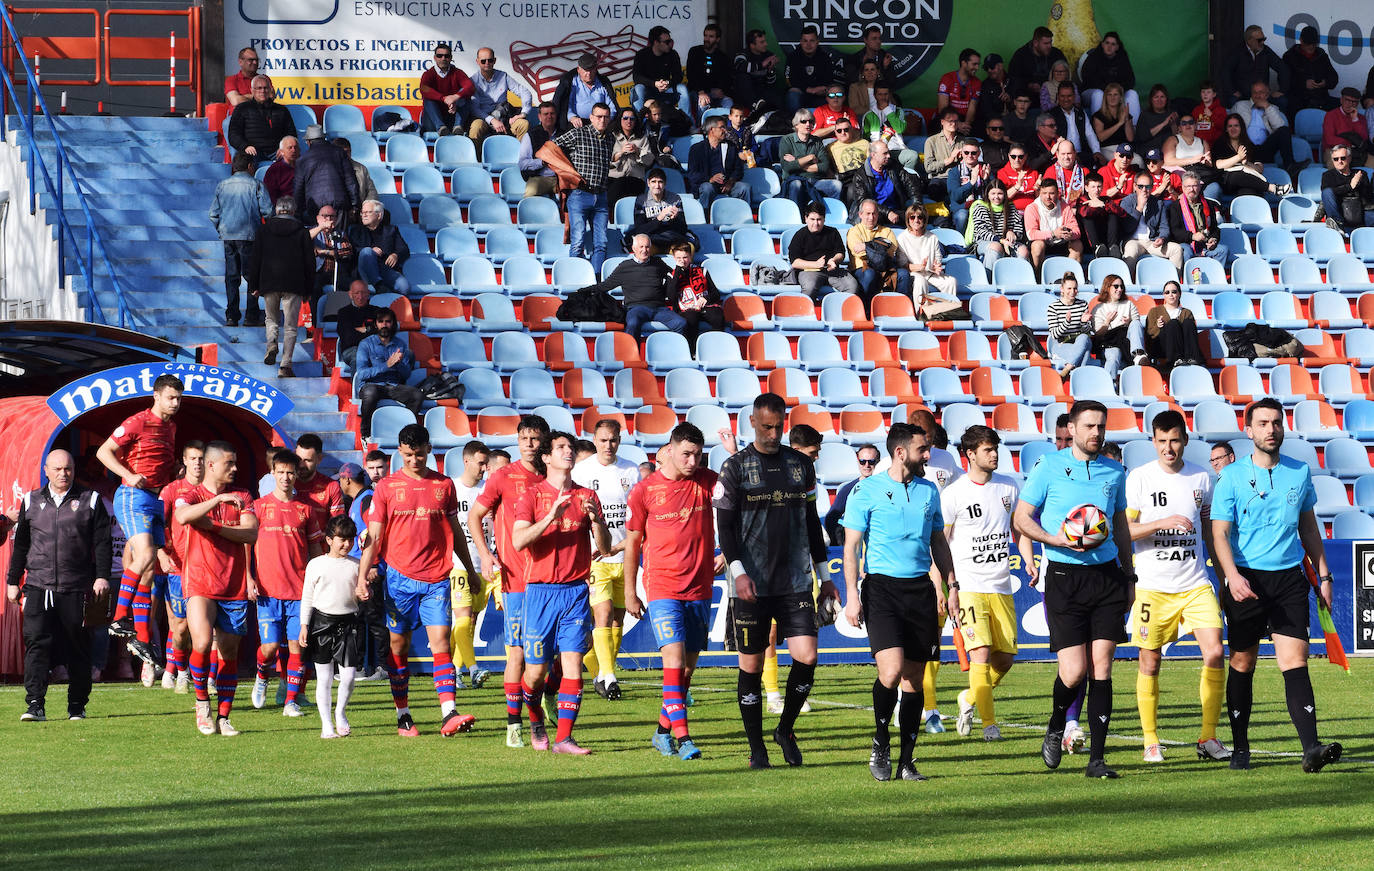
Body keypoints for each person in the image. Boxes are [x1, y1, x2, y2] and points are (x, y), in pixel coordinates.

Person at [1210, 398, 1341, 772]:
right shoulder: (1231, 477)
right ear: (1249, 431)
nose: (1271, 429)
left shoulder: (1299, 472)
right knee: (1242, 661)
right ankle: (1240, 748)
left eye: (1276, 423)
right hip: (1246, 578)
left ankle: (1311, 748)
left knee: (1295, 659)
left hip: (1289, 580)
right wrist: (1232, 576)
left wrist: (1324, 575)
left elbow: (1309, 528)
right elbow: (1219, 533)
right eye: (1263, 423)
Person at [1014, 400, 1133, 778]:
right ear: (1073, 428)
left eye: (1101, 426)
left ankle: (1097, 759)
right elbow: (1021, 518)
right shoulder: (1048, 467)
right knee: (1074, 671)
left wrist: (1129, 575)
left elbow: (1121, 525)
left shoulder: (1115, 472)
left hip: (1107, 577)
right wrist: (1054, 539)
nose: (1096, 433)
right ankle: (1055, 723)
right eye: (1089, 426)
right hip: (1064, 578)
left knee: (1102, 666)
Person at [715, 393, 833, 768]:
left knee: (807, 656)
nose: (772, 433)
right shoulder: (734, 467)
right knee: (750, 666)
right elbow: (725, 527)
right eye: (765, 426)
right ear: (752, 421)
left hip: (796, 580)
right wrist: (738, 572)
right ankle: (757, 749)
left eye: (778, 426)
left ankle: (785, 728)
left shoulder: (801, 465)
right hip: (751, 583)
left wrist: (824, 575)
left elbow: (813, 522)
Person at [839, 422, 951, 782]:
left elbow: (938, 542)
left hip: (919, 589)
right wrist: (853, 596)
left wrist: (950, 583)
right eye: (922, 449)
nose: (927, 455)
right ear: (901, 452)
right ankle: (881, 740)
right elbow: (851, 547)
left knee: (914, 681)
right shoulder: (866, 491)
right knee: (890, 672)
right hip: (881, 589)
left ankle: (906, 761)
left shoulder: (929, 490)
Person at [357, 423, 479, 738]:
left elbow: (456, 533)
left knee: (440, 643)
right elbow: (374, 536)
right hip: (399, 580)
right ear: (400, 452)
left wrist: (470, 569)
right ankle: (403, 715)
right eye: (409, 455)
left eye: (421, 454)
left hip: (438, 578)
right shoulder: (386, 488)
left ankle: (448, 712)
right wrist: (362, 578)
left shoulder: (444, 485)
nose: (415, 461)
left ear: (429, 450)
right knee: (399, 647)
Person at [1124, 410, 1231, 763]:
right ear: (1153, 442)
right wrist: (1162, 522)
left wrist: (1224, 576)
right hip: (1153, 586)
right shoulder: (1139, 478)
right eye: (1161, 441)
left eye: (1174, 440)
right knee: (1150, 661)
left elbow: (1211, 531)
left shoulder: (1201, 478)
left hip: (1196, 582)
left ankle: (1208, 737)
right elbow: (1126, 532)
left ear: (1184, 440)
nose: (1168, 448)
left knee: (1215, 652)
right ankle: (1151, 740)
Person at [512, 431, 611, 755]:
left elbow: (605, 548)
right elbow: (518, 541)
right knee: (536, 672)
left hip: (575, 594)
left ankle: (564, 739)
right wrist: (550, 518)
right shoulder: (531, 495)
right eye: (561, 448)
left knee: (572, 666)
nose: (568, 452)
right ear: (546, 457)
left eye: (570, 447)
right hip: (540, 594)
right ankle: (536, 717)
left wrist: (596, 521)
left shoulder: (586, 496)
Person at [624, 422, 716, 760]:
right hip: (662, 586)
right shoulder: (645, 490)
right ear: (670, 450)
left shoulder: (708, 481)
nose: (692, 461)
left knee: (686, 672)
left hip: (700, 587)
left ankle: (662, 731)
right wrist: (631, 591)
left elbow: (737, 510)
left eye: (697, 455)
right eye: (686, 454)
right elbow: (633, 544)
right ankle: (684, 738)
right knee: (674, 663)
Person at [943, 426, 1033, 742]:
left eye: (995, 448)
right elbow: (940, 542)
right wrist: (945, 584)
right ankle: (989, 725)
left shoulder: (1008, 487)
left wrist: (1029, 558)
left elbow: (1018, 529)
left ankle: (968, 698)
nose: (994, 454)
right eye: (987, 450)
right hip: (967, 586)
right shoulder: (954, 493)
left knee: (1004, 659)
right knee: (979, 653)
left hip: (1000, 585)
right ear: (970, 454)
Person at [8, 450, 111, 722]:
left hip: (76, 586)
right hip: (38, 585)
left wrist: (101, 576)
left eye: (67, 469)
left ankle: (77, 705)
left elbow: (102, 542)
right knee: (37, 644)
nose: (63, 474)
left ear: (74, 469)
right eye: (57, 469)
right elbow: (21, 545)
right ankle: (35, 705)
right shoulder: (30, 500)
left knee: (78, 646)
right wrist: (12, 581)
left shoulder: (91, 500)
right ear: (46, 470)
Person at [470, 414, 551, 748]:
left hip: (554, 579)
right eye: (524, 439)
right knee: (517, 654)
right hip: (517, 578)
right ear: (517, 442)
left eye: (534, 439)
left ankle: (543, 701)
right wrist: (486, 555)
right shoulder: (503, 477)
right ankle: (514, 723)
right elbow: (475, 516)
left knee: (553, 654)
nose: (529, 445)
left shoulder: (554, 476)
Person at [175, 441, 258, 736]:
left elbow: (251, 532)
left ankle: (224, 716)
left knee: (228, 651)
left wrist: (213, 527)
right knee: (200, 643)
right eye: (229, 463)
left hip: (232, 584)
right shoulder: (191, 493)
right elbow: (184, 516)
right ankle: (202, 705)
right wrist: (216, 502)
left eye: (235, 463)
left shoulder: (244, 496)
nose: (235, 468)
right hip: (199, 581)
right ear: (211, 466)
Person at [97, 374, 181, 663]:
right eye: (170, 397)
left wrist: (175, 471)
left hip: (155, 499)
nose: (175, 403)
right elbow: (103, 451)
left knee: (148, 570)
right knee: (144, 556)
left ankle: (143, 639)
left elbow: (159, 460)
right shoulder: (137, 421)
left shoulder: (171, 427)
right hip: (133, 495)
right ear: (156, 396)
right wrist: (129, 475)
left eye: (178, 398)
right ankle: (120, 617)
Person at [570, 419, 641, 701]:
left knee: (618, 621)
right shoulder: (582, 471)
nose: (608, 445)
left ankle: (601, 671)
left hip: (625, 555)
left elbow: (636, 515)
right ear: (594, 440)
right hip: (596, 555)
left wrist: (625, 546)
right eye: (602, 440)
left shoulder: (630, 470)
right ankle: (610, 677)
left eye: (612, 440)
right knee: (603, 614)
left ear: (619, 440)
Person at [250, 451, 325, 716]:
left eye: (290, 472)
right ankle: (262, 675)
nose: (285, 477)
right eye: (280, 472)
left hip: (298, 591)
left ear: (297, 475)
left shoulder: (306, 509)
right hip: (268, 591)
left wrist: (319, 583)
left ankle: (290, 701)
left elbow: (316, 550)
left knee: (297, 647)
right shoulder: (258, 507)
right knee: (269, 649)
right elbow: (245, 547)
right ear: (272, 473)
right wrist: (249, 578)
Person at [300, 515, 364, 738]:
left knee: (348, 677)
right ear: (328, 539)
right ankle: (326, 724)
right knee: (324, 678)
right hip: (321, 624)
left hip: (349, 624)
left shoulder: (357, 565)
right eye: (341, 539)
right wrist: (304, 625)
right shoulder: (316, 564)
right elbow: (307, 597)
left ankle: (340, 712)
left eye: (350, 539)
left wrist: (366, 592)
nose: (346, 544)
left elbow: (364, 592)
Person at [157, 440, 206, 694]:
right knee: (180, 627)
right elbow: (156, 522)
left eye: (201, 458)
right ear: (184, 461)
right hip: (178, 568)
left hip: (208, 569)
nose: (197, 463)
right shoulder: (171, 490)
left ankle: (208, 677)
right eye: (193, 458)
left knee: (209, 627)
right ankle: (181, 671)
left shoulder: (214, 491)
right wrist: (160, 553)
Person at [247, 195, 314, 377]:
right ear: (293, 211)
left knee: (271, 319)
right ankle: (285, 365)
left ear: (277, 210)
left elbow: (256, 260)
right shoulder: (302, 231)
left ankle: (271, 344)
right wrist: (309, 289)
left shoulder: (264, 230)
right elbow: (310, 263)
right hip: (294, 284)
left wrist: (254, 284)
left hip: (269, 282)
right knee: (291, 326)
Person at [449, 441, 495, 690]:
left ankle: (455, 671)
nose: (484, 468)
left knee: (470, 621)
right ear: (466, 461)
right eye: (480, 463)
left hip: (483, 563)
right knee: (464, 618)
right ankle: (474, 669)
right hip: (458, 563)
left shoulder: (489, 490)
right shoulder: (452, 489)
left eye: (486, 463)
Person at [209, 150, 272, 328]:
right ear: (250, 166)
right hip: (250, 236)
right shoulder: (257, 185)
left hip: (228, 236)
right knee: (252, 277)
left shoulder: (222, 185)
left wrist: (222, 229)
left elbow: (213, 214)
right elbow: (268, 212)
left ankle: (232, 316)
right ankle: (251, 315)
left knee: (231, 277)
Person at [555, 102, 615, 275]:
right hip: (580, 194)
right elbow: (552, 147)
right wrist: (565, 173)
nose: (602, 120)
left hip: (601, 195)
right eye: (599, 116)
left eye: (605, 117)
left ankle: (595, 283)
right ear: (591, 117)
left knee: (601, 242)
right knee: (578, 240)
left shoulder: (610, 138)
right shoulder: (578, 133)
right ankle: (575, 280)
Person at [585, 232, 678, 340]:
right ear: (634, 248)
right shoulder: (625, 266)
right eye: (641, 247)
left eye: (647, 247)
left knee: (681, 323)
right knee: (633, 323)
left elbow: (673, 275)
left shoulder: (658, 263)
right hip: (636, 308)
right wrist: (582, 291)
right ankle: (631, 355)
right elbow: (605, 285)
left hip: (659, 308)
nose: (644, 250)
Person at [355, 308, 422, 440]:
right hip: (371, 385)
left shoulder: (400, 344)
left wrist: (399, 365)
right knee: (370, 393)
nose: (384, 325)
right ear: (375, 324)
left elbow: (406, 375)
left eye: (388, 321)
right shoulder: (365, 344)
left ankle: (403, 432)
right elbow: (362, 374)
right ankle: (366, 434)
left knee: (417, 395)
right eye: (381, 321)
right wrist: (387, 365)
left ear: (393, 324)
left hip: (393, 385)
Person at [1211, 112, 1292, 198]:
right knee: (1237, 175)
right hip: (1228, 182)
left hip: (1248, 182)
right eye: (1230, 126)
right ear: (1226, 129)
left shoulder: (1249, 145)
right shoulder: (1220, 144)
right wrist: (1238, 157)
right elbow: (1218, 165)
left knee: (1248, 191)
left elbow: (1260, 168)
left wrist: (1246, 163)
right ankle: (1272, 188)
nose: (1233, 128)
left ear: (1241, 128)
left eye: (1236, 126)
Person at [789, 201, 859, 299]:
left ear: (824, 219)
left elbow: (840, 253)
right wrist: (815, 265)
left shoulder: (833, 232)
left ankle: (841, 312)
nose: (816, 223)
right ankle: (805, 313)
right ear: (806, 219)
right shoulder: (799, 235)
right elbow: (795, 262)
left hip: (833, 270)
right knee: (810, 287)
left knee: (852, 286)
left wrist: (834, 260)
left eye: (819, 219)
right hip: (809, 271)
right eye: (812, 219)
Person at [294, 124, 360, 226]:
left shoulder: (302, 160)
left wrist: (298, 213)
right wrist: (355, 205)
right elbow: (351, 181)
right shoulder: (339, 152)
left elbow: (298, 189)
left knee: (320, 238)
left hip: (315, 208)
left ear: (308, 142)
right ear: (323, 138)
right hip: (339, 205)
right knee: (340, 238)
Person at [467, 46, 535, 143]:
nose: (487, 63)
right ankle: (477, 158)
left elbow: (524, 92)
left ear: (494, 61)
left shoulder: (503, 76)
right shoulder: (473, 81)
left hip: (505, 117)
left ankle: (521, 157)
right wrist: (492, 120)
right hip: (484, 118)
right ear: (477, 61)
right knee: (476, 127)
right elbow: (475, 109)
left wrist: (523, 114)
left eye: (490, 60)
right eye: (483, 61)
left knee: (523, 124)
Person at [847, 198, 911, 303]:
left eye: (874, 214)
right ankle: (865, 308)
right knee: (870, 274)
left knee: (903, 274)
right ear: (860, 214)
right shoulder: (854, 231)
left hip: (885, 268)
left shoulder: (887, 231)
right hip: (862, 269)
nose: (871, 217)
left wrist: (866, 246)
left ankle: (901, 308)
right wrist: (880, 245)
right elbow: (858, 253)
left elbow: (891, 252)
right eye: (867, 213)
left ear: (878, 214)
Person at [1231, 82, 1302, 175]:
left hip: (1265, 148)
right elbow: (1230, 126)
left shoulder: (1272, 108)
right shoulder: (1240, 106)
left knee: (1284, 130)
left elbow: (1280, 127)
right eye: (1255, 92)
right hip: (1245, 147)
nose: (1257, 95)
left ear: (1267, 94)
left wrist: (1267, 107)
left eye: (1261, 92)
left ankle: (1290, 165)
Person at [844, 141, 921, 227]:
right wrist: (887, 212)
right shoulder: (861, 176)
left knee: (916, 220)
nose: (889, 155)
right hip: (875, 214)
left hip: (896, 211)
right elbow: (863, 201)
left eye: (888, 152)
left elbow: (910, 183)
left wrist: (916, 205)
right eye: (885, 153)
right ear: (873, 155)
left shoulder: (893, 166)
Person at [667, 241, 726, 349]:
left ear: (690, 257)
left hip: (704, 307)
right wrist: (678, 273)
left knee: (718, 316)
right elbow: (671, 296)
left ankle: (717, 347)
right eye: (678, 258)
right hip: (686, 309)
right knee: (691, 318)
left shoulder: (702, 271)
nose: (682, 261)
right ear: (674, 258)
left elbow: (716, 294)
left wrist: (706, 298)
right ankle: (692, 350)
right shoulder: (671, 275)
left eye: (685, 257)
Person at [226, 75, 296, 164]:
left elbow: (291, 133)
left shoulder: (282, 110)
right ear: (252, 91)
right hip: (252, 151)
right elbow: (233, 134)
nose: (262, 91)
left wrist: (284, 148)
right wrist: (245, 146)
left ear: (270, 90)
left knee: (292, 156)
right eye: (259, 88)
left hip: (276, 152)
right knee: (242, 161)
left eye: (265, 88)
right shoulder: (242, 109)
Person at [687, 116, 750, 215]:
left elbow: (738, 169)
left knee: (744, 188)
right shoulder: (696, 149)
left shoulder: (731, 146)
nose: (725, 130)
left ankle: (742, 217)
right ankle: (706, 219)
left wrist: (731, 181)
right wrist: (710, 179)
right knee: (707, 188)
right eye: (722, 127)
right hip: (707, 184)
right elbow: (692, 174)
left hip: (727, 185)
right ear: (712, 130)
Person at [347, 199, 411, 296]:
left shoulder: (391, 230)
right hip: (363, 270)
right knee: (367, 251)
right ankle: (379, 285)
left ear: (379, 215)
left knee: (404, 287)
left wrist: (395, 255)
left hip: (384, 269)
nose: (364, 215)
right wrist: (370, 251)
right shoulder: (354, 230)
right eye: (362, 212)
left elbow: (404, 249)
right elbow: (350, 250)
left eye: (368, 212)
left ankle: (398, 307)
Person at [778, 109, 839, 208]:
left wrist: (796, 161)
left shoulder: (817, 141)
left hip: (815, 181)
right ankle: (797, 219)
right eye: (804, 121)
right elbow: (787, 167)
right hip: (793, 180)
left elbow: (824, 167)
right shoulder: (786, 140)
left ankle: (830, 218)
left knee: (837, 186)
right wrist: (809, 158)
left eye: (811, 121)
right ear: (796, 125)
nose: (808, 124)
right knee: (797, 184)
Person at [897, 207, 958, 305]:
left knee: (951, 282)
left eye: (920, 217)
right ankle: (922, 315)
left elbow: (938, 257)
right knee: (921, 282)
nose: (916, 220)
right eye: (912, 217)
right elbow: (902, 264)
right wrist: (919, 267)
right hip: (913, 273)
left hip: (930, 273)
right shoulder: (902, 238)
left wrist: (937, 265)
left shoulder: (932, 237)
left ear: (924, 220)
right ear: (908, 220)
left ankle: (947, 312)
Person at [1091, 273, 1146, 379]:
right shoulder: (1099, 308)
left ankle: (1138, 354)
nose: (1119, 289)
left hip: (1126, 342)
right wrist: (1107, 322)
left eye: (1121, 286)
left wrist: (1129, 321)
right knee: (1113, 356)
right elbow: (1098, 334)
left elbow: (1137, 327)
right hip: (1110, 343)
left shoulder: (1128, 304)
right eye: (1116, 286)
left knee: (1135, 323)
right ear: (1107, 288)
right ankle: (1108, 385)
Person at [1167, 172, 1230, 264]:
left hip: (1205, 243)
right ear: (1183, 188)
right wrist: (1192, 236)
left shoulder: (1209, 204)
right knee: (1186, 251)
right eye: (1188, 186)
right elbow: (1175, 232)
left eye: (1195, 186)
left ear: (1200, 187)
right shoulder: (1174, 207)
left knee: (1223, 250)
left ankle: (1214, 276)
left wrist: (1213, 239)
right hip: (1186, 243)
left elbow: (1215, 228)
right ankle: (1188, 277)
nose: (1191, 189)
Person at [823, 443, 880, 545]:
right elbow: (831, 518)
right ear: (858, 462)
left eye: (871, 461)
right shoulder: (848, 489)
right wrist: (838, 545)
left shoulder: (886, 487)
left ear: (878, 462)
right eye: (862, 461)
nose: (867, 465)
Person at [625, 168, 694, 253]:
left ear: (665, 183)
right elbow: (640, 229)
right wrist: (659, 218)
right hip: (652, 242)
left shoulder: (675, 199)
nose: (657, 186)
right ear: (648, 183)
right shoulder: (641, 200)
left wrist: (676, 218)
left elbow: (683, 229)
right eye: (653, 181)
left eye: (660, 182)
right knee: (643, 250)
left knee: (690, 249)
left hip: (671, 241)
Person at [1223, 24, 1288, 109]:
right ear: (1249, 40)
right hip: (1243, 96)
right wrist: (1232, 91)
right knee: (1232, 101)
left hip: (1263, 96)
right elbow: (1225, 71)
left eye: (1264, 39)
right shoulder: (1237, 52)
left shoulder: (1266, 51)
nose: (1262, 42)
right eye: (1259, 40)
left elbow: (1283, 68)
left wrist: (1282, 90)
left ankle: (1278, 122)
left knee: (1282, 101)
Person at [969, 178, 1028, 270]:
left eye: (1000, 193)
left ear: (1004, 194)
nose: (996, 197)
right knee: (996, 247)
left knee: (1023, 250)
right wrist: (1000, 240)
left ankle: (1018, 279)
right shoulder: (980, 208)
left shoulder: (1011, 207)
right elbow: (982, 232)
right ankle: (989, 280)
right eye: (993, 193)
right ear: (987, 195)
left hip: (1008, 242)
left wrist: (1012, 233)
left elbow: (1018, 228)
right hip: (985, 242)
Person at [1025, 177, 1083, 270]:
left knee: (1077, 244)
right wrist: (1053, 234)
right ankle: (1038, 276)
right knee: (1037, 245)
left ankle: (1069, 276)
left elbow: (1077, 231)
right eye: (1044, 193)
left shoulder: (1064, 206)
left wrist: (1070, 234)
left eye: (1051, 193)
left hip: (1061, 242)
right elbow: (1031, 234)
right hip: (1043, 242)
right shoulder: (1032, 208)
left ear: (1057, 193)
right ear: (1040, 193)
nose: (1048, 197)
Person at [631, 27, 690, 117]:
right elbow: (637, 77)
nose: (670, 44)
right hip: (649, 90)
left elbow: (678, 76)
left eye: (670, 41)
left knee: (682, 88)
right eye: (667, 42)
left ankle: (688, 122)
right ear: (656, 42)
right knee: (638, 88)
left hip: (666, 90)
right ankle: (640, 122)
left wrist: (668, 83)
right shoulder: (642, 54)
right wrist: (654, 83)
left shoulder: (672, 54)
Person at [1144, 280, 1203, 369]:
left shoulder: (1187, 312)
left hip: (1183, 349)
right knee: (1173, 323)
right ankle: (1175, 359)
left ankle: (1192, 358)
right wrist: (1158, 327)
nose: (1170, 295)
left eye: (1174, 292)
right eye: (1167, 292)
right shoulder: (1154, 311)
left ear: (1179, 294)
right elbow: (1149, 334)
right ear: (1164, 295)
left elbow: (1190, 334)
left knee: (1188, 322)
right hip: (1161, 348)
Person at [1080, 33, 1139, 119]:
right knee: (1098, 94)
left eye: (1113, 44)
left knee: (1132, 94)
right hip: (1092, 92)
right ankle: (1099, 129)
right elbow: (1088, 79)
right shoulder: (1094, 56)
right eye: (1107, 43)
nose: (1109, 46)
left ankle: (1134, 128)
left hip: (1115, 93)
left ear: (1117, 47)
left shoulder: (1122, 57)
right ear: (1102, 44)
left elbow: (1130, 80)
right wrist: (1108, 90)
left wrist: (1118, 90)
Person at [419, 43, 474, 135]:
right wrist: (444, 99)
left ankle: (458, 127)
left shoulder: (457, 73)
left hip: (452, 118)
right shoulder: (428, 74)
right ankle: (441, 127)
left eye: (446, 56)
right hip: (433, 121)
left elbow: (470, 87)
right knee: (428, 99)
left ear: (451, 57)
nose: (443, 58)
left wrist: (455, 98)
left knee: (465, 97)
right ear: (435, 57)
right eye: (440, 56)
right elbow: (424, 89)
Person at [862, 85, 920, 173]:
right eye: (880, 94)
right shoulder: (868, 115)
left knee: (913, 156)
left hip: (896, 150)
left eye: (885, 94)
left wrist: (887, 110)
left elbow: (900, 129)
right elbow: (865, 139)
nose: (883, 97)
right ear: (874, 95)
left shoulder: (898, 111)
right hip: (877, 152)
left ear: (889, 95)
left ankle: (906, 179)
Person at [554, 53, 620, 128]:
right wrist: (572, 117)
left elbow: (612, 105)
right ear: (578, 70)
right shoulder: (570, 83)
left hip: (603, 122)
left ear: (596, 69)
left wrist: (606, 119)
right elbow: (567, 106)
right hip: (579, 124)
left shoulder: (603, 83)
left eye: (591, 70)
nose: (588, 74)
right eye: (585, 70)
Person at [1046, 272, 1092, 377]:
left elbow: (1087, 331)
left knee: (1084, 337)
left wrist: (1083, 323)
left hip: (1080, 342)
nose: (1073, 292)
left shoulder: (1082, 304)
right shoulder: (1053, 307)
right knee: (1084, 353)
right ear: (1062, 289)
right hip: (1061, 344)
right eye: (1069, 288)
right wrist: (1066, 323)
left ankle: (1067, 369)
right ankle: (1080, 378)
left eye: (1075, 288)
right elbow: (1054, 335)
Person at [606, 107, 655, 206]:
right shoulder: (611, 137)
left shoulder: (642, 138)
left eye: (632, 119)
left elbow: (649, 160)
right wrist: (621, 153)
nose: (628, 121)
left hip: (635, 178)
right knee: (616, 188)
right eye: (625, 118)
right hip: (615, 178)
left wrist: (638, 151)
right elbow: (605, 159)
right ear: (620, 120)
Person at [1283, 26, 1337, 115]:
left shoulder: (1322, 56)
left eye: (1314, 43)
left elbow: (1334, 78)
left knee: (1343, 107)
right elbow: (1284, 81)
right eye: (1308, 43)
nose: (1311, 46)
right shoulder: (1289, 56)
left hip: (1321, 98)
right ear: (1301, 40)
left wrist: (1325, 82)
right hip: (1298, 99)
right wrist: (1304, 84)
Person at [334, 279, 387, 369]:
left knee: (405, 354)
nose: (360, 296)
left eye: (363, 293)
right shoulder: (343, 313)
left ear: (368, 294)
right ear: (350, 295)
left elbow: (385, 333)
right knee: (359, 358)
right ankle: (359, 383)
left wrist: (365, 330)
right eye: (356, 293)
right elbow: (348, 338)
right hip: (352, 350)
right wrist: (372, 330)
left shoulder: (377, 311)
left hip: (375, 349)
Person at [1321, 143, 1374, 233]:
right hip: (1340, 211)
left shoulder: (1360, 174)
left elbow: (1367, 196)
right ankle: (1337, 224)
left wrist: (1358, 185)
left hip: (1360, 211)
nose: (1339, 161)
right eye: (1336, 159)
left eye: (1343, 158)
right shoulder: (1327, 175)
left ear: (1349, 158)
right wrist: (1350, 186)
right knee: (1327, 192)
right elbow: (1327, 194)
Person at [685, 23, 733, 120]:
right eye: (705, 35)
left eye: (711, 36)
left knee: (728, 102)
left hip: (715, 94)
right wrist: (701, 92)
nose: (707, 39)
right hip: (697, 92)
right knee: (703, 101)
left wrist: (721, 90)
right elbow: (691, 75)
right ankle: (703, 129)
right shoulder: (694, 52)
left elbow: (727, 78)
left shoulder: (723, 57)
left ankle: (726, 129)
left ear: (717, 39)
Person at [310, 204, 355, 302]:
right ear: (318, 218)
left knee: (353, 286)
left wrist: (325, 252)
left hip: (337, 272)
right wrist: (321, 227)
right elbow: (304, 240)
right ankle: (316, 316)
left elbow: (348, 250)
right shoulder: (312, 231)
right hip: (318, 272)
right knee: (314, 288)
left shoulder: (340, 234)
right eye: (325, 216)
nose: (328, 219)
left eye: (332, 216)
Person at [1008, 26, 1067, 99]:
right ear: (1035, 43)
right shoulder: (1020, 56)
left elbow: (1066, 75)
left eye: (1050, 42)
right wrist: (1029, 85)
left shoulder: (1057, 54)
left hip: (1054, 97)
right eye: (1046, 43)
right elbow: (1013, 79)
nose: (1049, 46)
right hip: (1028, 100)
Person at [1076, 172, 1125, 259]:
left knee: (1113, 215)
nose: (1096, 190)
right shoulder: (1082, 200)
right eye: (1093, 187)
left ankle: (1113, 247)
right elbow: (1084, 213)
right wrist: (1096, 207)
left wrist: (1102, 205)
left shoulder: (1105, 200)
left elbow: (1122, 213)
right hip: (1088, 239)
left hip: (1104, 235)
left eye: (1099, 186)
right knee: (1088, 218)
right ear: (1087, 188)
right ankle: (1097, 248)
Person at [518, 101, 561, 199]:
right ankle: (529, 214)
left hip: (561, 178)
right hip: (540, 178)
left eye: (552, 113)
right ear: (539, 117)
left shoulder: (563, 134)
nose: (549, 116)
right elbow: (522, 164)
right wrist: (542, 162)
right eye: (546, 114)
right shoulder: (531, 135)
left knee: (576, 193)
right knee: (531, 191)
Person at [1050, 82, 1101, 162]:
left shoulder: (1080, 112)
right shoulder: (1052, 114)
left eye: (1069, 96)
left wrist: (1096, 151)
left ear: (1074, 96)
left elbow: (1089, 134)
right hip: (1062, 156)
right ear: (1058, 97)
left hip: (1081, 154)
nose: (1066, 99)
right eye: (1062, 96)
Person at [946, 137, 989, 231]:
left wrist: (986, 180)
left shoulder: (985, 168)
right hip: (962, 208)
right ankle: (961, 243)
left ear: (979, 154)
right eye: (966, 152)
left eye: (973, 153)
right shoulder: (954, 171)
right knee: (962, 216)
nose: (970, 155)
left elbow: (994, 194)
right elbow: (955, 197)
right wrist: (971, 183)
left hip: (982, 206)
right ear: (962, 153)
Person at [936, 48, 981, 136]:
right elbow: (942, 108)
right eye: (974, 64)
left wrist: (966, 125)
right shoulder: (947, 78)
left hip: (965, 120)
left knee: (978, 129)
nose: (977, 68)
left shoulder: (977, 82)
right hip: (948, 118)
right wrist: (957, 124)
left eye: (978, 64)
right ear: (964, 63)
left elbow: (972, 108)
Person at [923, 108, 963, 200]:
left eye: (956, 121)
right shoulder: (931, 141)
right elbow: (928, 167)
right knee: (934, 189)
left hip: (958, 178)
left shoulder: (963, 141)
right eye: (950, 121)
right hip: (940, 178)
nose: (953, 123)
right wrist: (949, 160)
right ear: (942, 122)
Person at [1322, 88, 1367, 166]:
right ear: (1341, 100)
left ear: (1357, 104)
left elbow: (1364, 138)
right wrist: (1350, 144)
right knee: (1336, 165)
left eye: (1354, 102)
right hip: (1334, 150)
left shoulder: (1361, 118)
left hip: (1357, 152)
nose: (1350, 104)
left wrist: (1355, 120)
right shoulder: (1331, 115)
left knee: (1372, 163)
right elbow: (1330, 139)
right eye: (1347, 100)